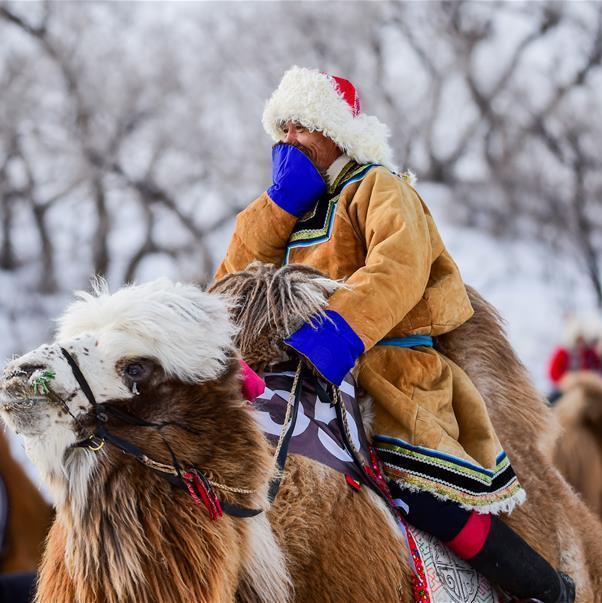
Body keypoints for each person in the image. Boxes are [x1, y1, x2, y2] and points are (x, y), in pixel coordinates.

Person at [216, 66, 574, 602]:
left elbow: (399, 269)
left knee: (425, 494)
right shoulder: (286, 210)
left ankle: (546, 589)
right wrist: (279, 206)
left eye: (302, 127)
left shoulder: (379, 187)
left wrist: (330, 337)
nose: (288, 140)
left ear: (334, 130)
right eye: (282, 128)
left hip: (391, 377)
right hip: (295, 378)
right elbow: (231, 282)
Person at [547, 315, 602, 402]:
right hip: (566, 389)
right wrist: (568, 380)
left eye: (582, 340)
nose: (580, 343)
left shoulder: (589, 353)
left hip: (587, 388)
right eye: (578, 340)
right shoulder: (562, 352)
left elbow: (598, 368)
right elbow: (553, 373)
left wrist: (589, 378)